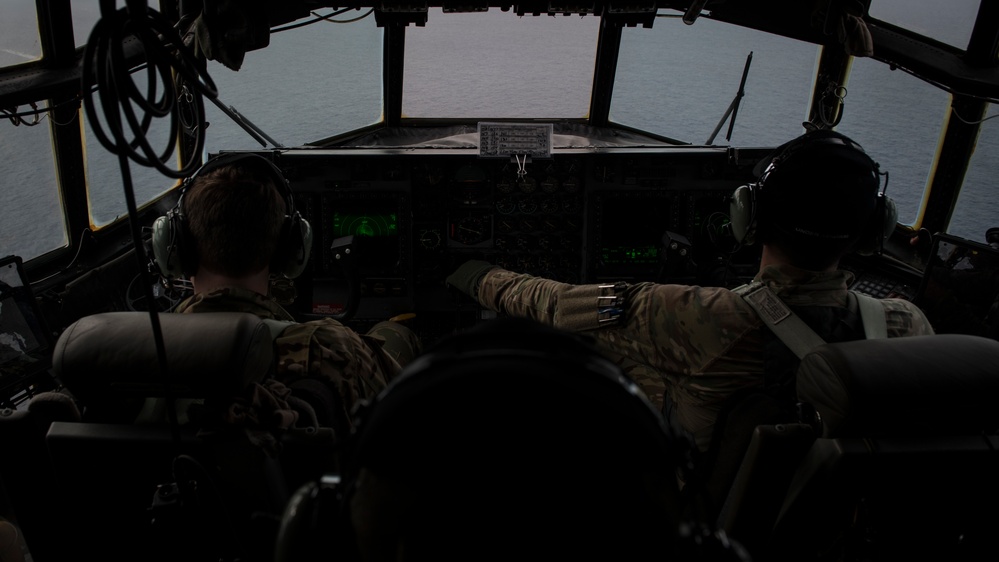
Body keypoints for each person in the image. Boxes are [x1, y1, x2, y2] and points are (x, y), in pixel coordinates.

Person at [446, 129, 934, 456]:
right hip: (812, 521)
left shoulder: (700, 315)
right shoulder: (904, 325)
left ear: (749, 218)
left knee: (578, 361)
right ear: (873, 230)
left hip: (701, 494)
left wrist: (471, 272)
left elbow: (554, 306)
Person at [152, 153, 422, 444]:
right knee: (396, 333)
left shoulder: (135, 352)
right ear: (288, 251)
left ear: (175, 246)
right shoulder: (336, 348)